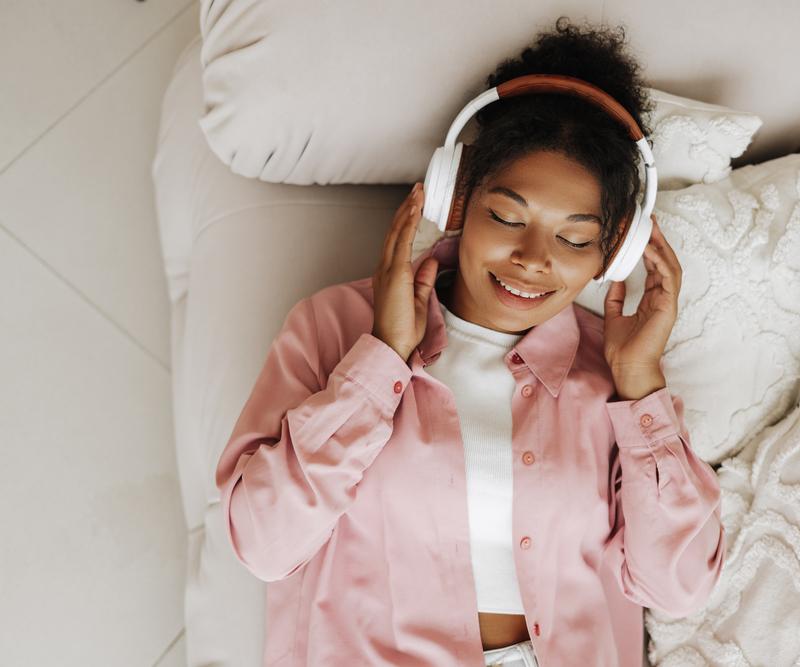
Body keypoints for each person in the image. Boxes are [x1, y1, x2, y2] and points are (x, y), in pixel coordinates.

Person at [215, 16, 725, 667]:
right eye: (507, 216)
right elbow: (263, 541)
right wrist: (380, 361)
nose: (533, 258)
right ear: (459, 202)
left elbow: (678, 587)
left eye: (573, 238)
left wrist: (643, 384)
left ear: (613, 250)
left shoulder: (616, 377)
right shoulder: (333, 328)